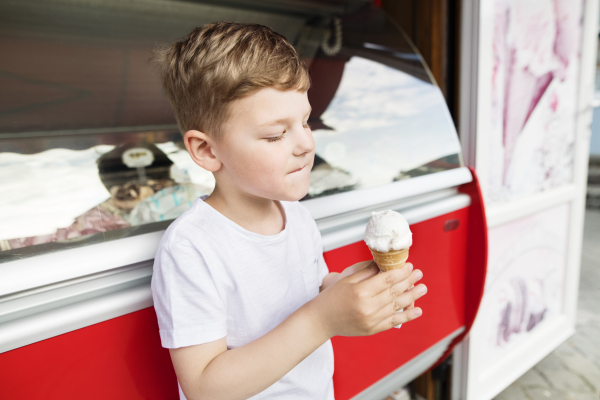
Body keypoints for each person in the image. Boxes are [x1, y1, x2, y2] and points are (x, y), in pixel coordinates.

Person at [150, 22, 426, 400]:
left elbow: (307, 288)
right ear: (207, 151)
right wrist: (324, 318)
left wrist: (351, 293)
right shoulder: (191, 247)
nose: (305, 143)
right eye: (275, 134)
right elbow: (203, 386)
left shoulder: (295, 214)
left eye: (305, 121)